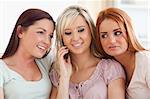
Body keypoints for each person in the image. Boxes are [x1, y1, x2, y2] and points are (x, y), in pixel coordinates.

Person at [50, 5, 126, 99]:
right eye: (68, 33)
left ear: (91, 30)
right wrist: (64, 78)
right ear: (62, 38)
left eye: (81, 30)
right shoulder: (57, 73)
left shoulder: (111, 69)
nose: (75, 38)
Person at [0, 8, 55, 99]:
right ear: (20, 31)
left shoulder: (46, 61)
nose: (47, 42)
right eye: (40, 32)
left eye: (50, 36)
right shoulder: (2, 69)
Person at [96, 7, 150, 99]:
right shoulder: (109, 68)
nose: (111, 41)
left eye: (117, 33)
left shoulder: (146, 61)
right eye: (104, 35)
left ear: (129, 33)